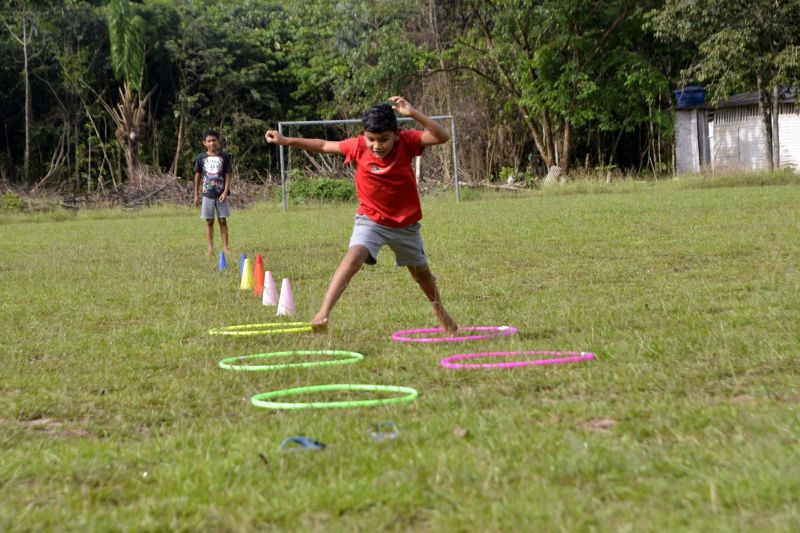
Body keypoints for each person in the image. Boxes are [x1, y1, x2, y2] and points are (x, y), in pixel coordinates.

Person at [265, 96, 458, 332]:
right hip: (371, 220)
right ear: (364, 135)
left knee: (421, 273)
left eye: (384, 140)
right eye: (371, 139)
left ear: (396, 134)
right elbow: (324, 145)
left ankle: (438, 308)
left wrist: (414, 113)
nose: (377, 145)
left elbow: (442, 136)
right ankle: (323, 313)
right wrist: (285, 140)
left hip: (404, 225)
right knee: (353, 256)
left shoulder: (407, 142)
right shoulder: (357, 146)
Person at [193, 129, 232, 256]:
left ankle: (226, 247)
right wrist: (196, 194)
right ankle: (210, 248)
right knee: (209, 221)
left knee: (222, 220)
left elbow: (228, 174)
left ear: (218, 142)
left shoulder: (224, 157)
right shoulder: (201, 158)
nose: (212, 143)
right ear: (204, 143)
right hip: (207, 194)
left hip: (220, 194)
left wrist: (225, 192)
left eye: (214, 140)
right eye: (209, 141)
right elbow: (198, 175)